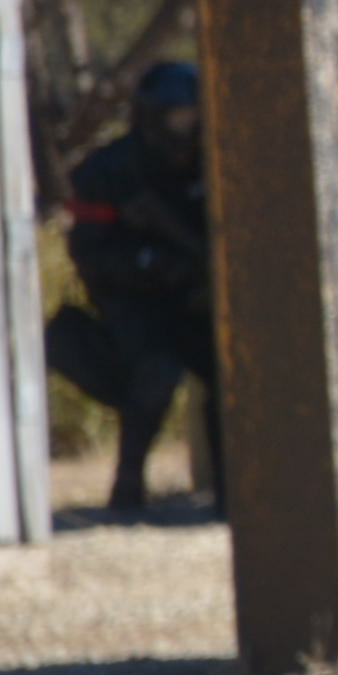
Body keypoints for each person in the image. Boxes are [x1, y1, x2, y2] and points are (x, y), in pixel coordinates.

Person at [46, 60, 217, 513]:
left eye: (193, 117)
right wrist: (151, 264)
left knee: (227, 374)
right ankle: (128, 489)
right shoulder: (108, 171)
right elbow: (90, 252)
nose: (187, 129)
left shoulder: (213, 161)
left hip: (194, 297)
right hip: (133, 302)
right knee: (155, 372)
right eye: (178, 118)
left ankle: (231, 489)